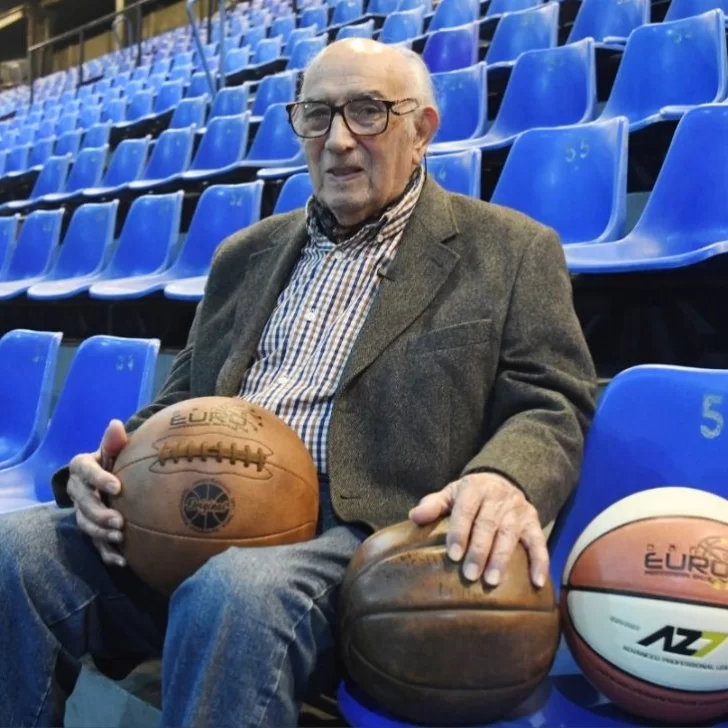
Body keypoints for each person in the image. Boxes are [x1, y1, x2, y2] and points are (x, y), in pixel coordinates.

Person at [0, 38, 596, 727]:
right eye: (317, 116)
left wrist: (507, 477)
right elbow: (182, 400)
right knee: (19, 550)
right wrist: (111, 470)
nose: (338, 140)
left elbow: (552, 398)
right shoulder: (242, 256)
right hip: (198, 510)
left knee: (233, 592)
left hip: (364, 538)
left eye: (368, 112)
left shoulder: (511, 250)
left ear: (422, 128)